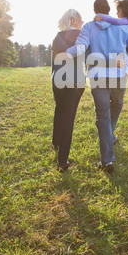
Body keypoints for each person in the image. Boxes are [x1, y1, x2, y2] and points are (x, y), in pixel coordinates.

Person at [66, 0, 128, 174]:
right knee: (116, 106)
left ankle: (107, 161)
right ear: (110, 10)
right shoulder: (124, 27)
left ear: (95, 11)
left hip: (97, 76)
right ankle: (109, 139)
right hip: (119, 76)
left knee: (103, 116)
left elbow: (79, 49)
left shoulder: (88, 27)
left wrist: (66, 53)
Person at [94, 0, 128, 109]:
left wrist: (101, 17)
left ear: (124, 11)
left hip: (127, 48)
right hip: (127, 49)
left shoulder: (123, 21)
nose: (117, 14)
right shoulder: (126, 22)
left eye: (118, 11)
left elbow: (114, 21)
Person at [51, 9, 85, 173]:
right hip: (75, 81)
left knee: (59, 110)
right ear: (73, 20)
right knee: (68, 118)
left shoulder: (57, 37)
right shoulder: (82, 35)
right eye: (80, 19)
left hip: (57, 79)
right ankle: (63, 161)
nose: (83, 22)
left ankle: (56, 143)